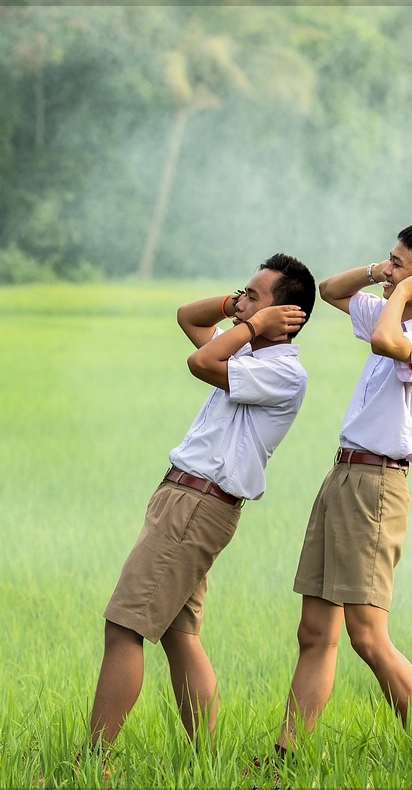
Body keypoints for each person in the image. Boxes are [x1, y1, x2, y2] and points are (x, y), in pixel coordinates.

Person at [88, 254, 315, 750]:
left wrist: (251, 324)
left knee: (124, 627)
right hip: (186, 499)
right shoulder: (248, 354)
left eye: (254, 295)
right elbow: (188, 317)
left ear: (285, 315)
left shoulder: (281, 372)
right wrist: (240, 307)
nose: (240, 304)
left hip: (196, 504)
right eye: (242, 293)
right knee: (178, 634)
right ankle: (205, 762)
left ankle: (90, 764)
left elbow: (200, 362)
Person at [274, 222, 412, 754]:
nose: (387, 270)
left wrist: (401, 292)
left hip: (378, 484)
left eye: (399, 262)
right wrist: (384, 275)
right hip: (343, 475)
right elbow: (331, 291)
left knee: (368, 637)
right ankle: (284, 759)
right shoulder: (390, 308)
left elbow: (385, 340)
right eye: (389, 260)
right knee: (314, 632)